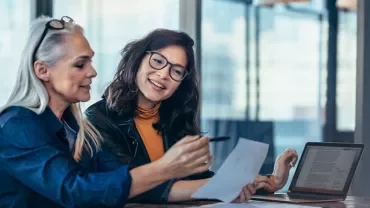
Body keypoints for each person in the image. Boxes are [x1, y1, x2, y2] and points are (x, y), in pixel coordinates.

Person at [0, 16, 214, 208]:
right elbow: (74, 190)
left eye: (90, 62)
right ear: (42, 70)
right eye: (80, 64)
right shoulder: (17, 125)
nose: (92, 72)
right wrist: (165, 168)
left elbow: (125, 182)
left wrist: (222, 186)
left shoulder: (76, 128)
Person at [85, 28, 299, 203]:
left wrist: (269, 181)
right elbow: (134, 186)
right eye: (158, 61)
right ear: (138, 59)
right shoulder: (99, 119)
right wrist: (223, 186)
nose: (163, 75)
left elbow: (199, 181)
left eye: (177, 71)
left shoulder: (174, 118)